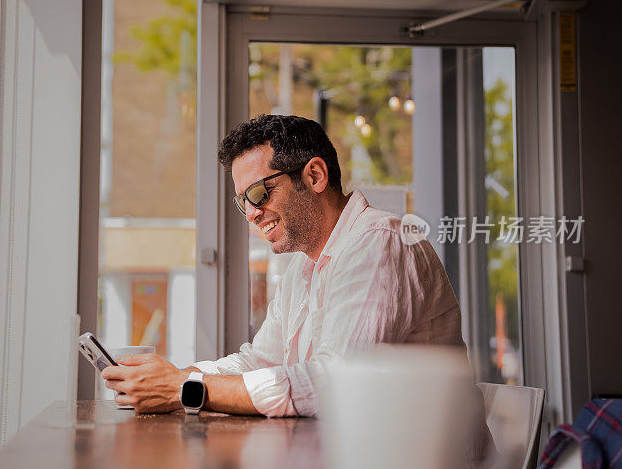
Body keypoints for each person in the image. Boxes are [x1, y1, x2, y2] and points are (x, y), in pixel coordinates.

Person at [101, 114, 466, 417]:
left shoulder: (379, 242)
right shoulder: (305, 267)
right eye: (243, 202)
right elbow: (260, 361)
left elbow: (335, 385)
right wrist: (174, 378)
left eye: (260, 193)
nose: (253, 214)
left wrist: (185, 389)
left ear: (314, 176)